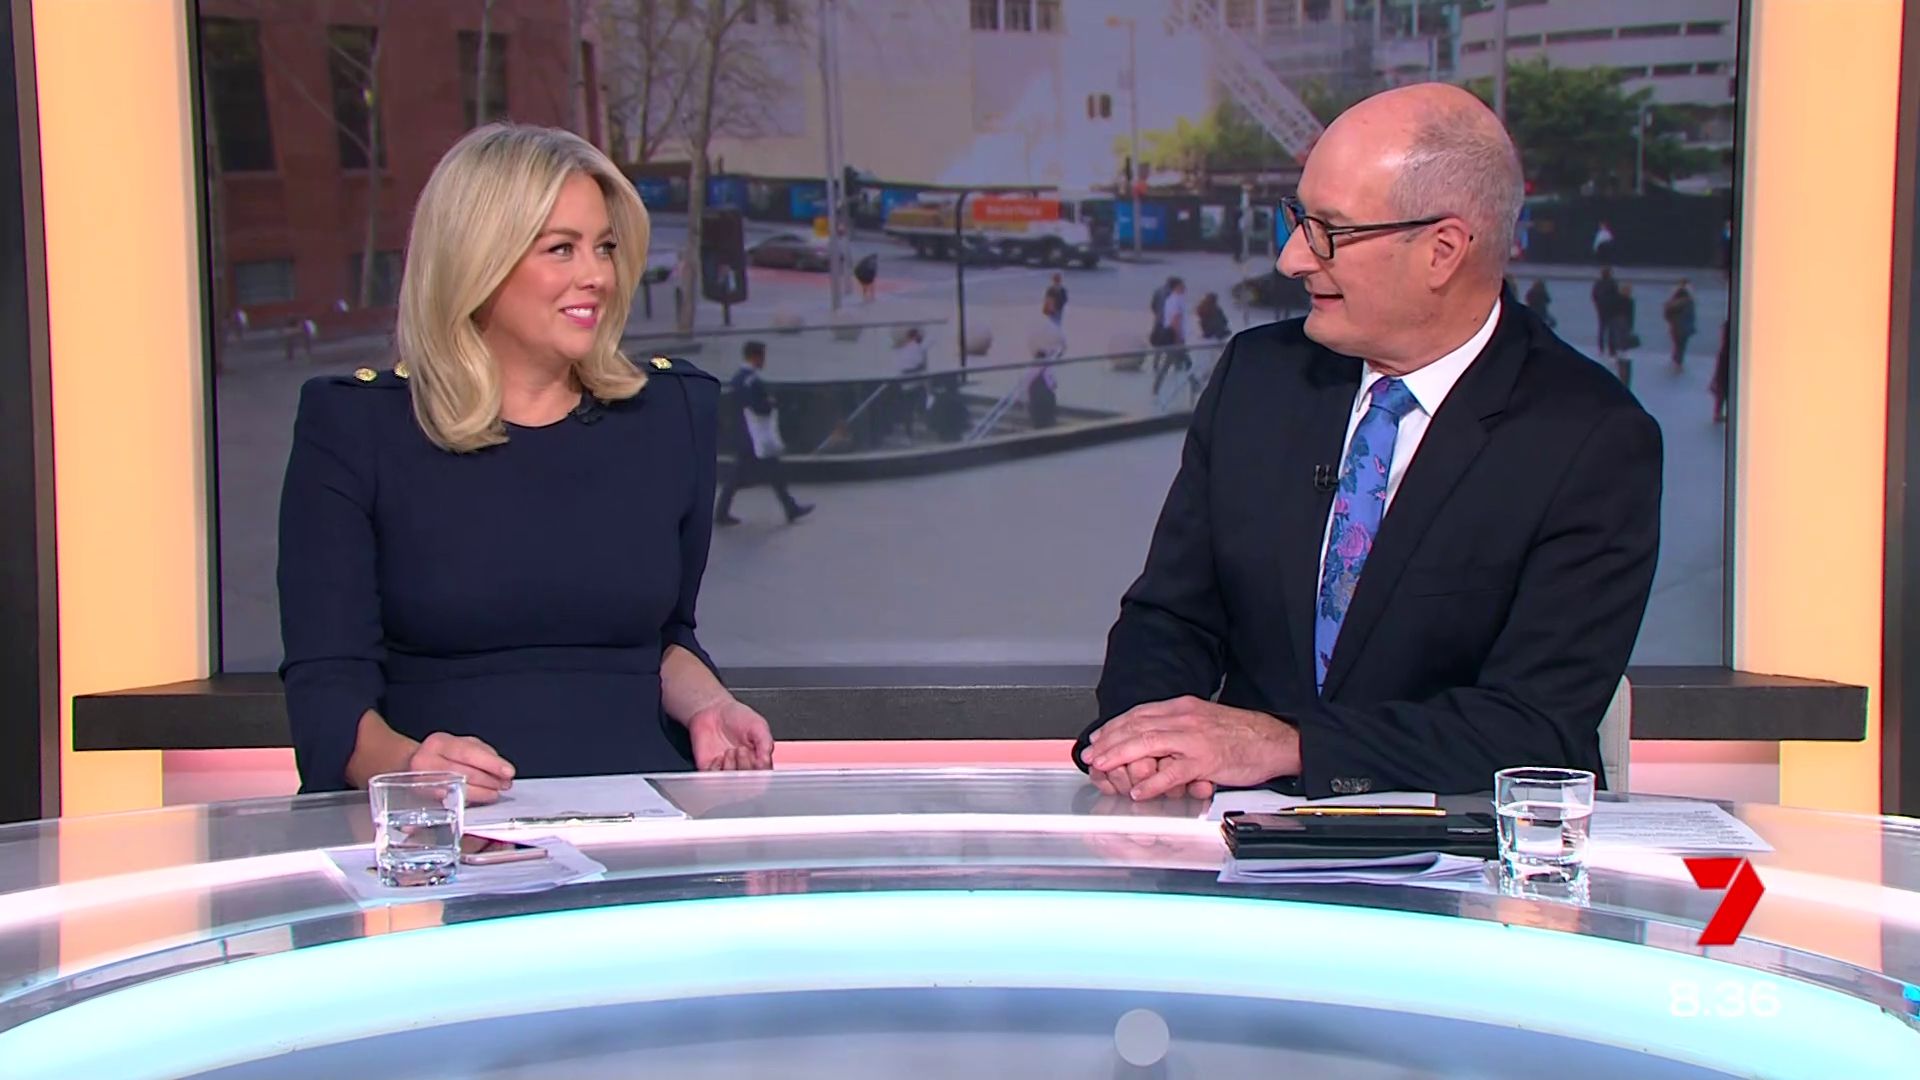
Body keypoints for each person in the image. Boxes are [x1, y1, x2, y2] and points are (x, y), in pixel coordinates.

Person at [1076, 83, 1661, 801]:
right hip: (1241, 829)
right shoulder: (1258, 378)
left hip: (1460, 843)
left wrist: (1286, 745)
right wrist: (1144, 740)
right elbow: (1171, 617)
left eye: (1329, 230)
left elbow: (1533, 725)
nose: (1292, 258)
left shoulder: (1591, 439)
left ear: (1442, 251)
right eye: (1297, 219)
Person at [278, 124, 775, 800]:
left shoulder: (670, 413)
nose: (597, 275)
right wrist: (411, 769)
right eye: (561, 248)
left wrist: (709, 704)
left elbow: (661, 639)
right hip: (447, 829)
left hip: (641, 814)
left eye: (604, 247)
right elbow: (327, 686)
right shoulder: (356, 426)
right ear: (478, 262)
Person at [716, 340, 814, 525]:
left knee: (759, 472)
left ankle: (789, 508)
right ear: (755, 357)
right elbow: (757, 407)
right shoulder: (751, 380)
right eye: (762, 356)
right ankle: (790, 508)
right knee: (756, 473)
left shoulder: (738, 378)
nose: (764, 361)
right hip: (754, 436)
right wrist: (770, 403)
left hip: (745, 433)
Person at [1663, 279, 1696, 371]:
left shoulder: (1672, 302)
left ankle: (1676, 360)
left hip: (1675, 326)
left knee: (1677, 344)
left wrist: (1671, 321)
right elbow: (1691, 316)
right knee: (1681, 345)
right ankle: (1678, 362)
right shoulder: (1689, 302)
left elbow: (1667, 315)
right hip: (1684, 327)